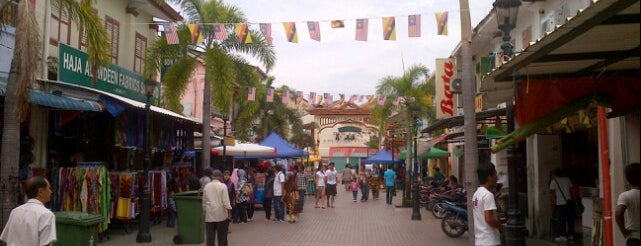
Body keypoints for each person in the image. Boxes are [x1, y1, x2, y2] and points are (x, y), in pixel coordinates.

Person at [1, 176, 57, 246]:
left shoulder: (15, 212)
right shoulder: (46, 214)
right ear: (40, 192)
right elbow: (45, 244)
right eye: (49, 188)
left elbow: (7, 238)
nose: (51, 192)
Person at [472, 161, 503, 246]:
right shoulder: (488, 195)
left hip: (480, 240)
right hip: (489, 240)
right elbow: (489, 219)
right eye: (495, 173)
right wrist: (501, 227)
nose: (496, 177)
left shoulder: (476, 194)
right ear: (490, 177)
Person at [202, 169, 232, 246]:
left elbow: (204, 202)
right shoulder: (223, 186)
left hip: (209, 216)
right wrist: (229, 213)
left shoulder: (206, 187)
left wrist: (205, 212)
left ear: (212, 177)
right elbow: (226, 202)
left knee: (210, 238)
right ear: (220, 177)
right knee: (222, 237)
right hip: (221, 215)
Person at [615, 163, 640, 246]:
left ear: (627, 178)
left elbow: (618, 214)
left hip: (634, 238)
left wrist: (624, 231)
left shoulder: (625, 195)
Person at [549, 168, 575, 242]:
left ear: (555, 174)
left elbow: (552, 194)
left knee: (561, 220)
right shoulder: (567, 179)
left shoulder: (553, 181)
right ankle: (571, 235)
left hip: (560, 203)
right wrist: (573, 199)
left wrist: (552, 203)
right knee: (570, 219)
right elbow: (572, 190)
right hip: (569, 202)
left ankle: (563, 235)